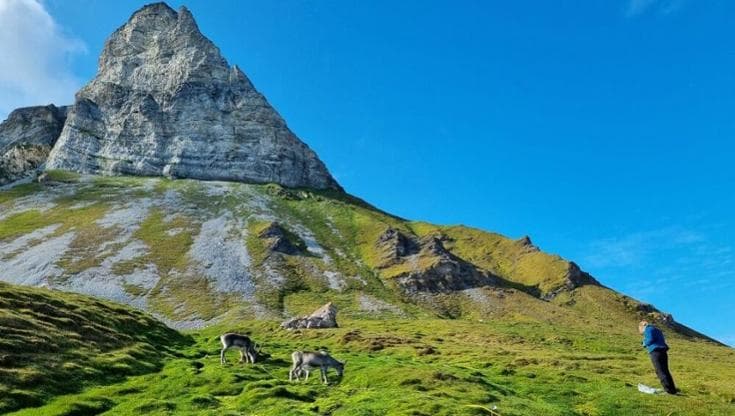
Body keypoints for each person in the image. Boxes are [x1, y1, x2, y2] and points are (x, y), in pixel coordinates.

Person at [639, 320, 677, 394]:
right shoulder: (657, 330)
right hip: (663, 351)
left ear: (643, 325)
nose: (642, 331)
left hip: (655, 351)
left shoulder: (648, 329)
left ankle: (668, 390)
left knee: (660, 371)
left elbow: (650, 339)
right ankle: (672, 389)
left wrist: (644, 343)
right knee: (665, 370)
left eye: (641, 329)